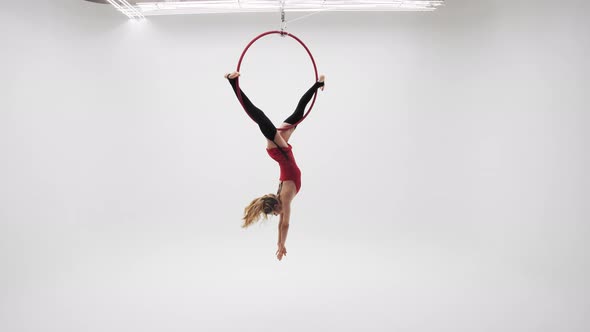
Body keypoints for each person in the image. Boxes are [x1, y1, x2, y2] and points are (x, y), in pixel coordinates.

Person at [225, 71, 325, 261]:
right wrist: (279, 243)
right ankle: (317, 84)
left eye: (274, 212)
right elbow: (282, 223)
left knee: (258, 116)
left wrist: (282, 243)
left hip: (279, 150)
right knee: (298, 113)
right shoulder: (282, 196)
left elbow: (285, 224)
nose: (278, 215)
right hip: (282, 149)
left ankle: (233, 83)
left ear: (276, 205)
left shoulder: (285, 196)